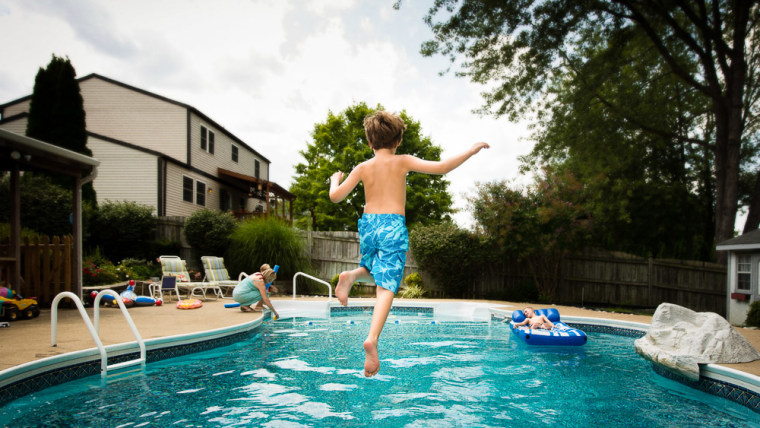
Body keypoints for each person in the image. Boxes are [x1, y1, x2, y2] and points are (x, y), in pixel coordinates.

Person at [329, 110, 489, 377]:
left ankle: (351, 276)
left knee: (377, 271)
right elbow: (442, 167)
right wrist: (470, 151)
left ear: (370, 142)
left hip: (369, 225)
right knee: (387, 285)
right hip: (392, 225)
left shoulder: (362, 167)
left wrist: (335, 180)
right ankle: (372, 339)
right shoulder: (402, 161)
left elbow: (335, 197)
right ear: (397, 141)